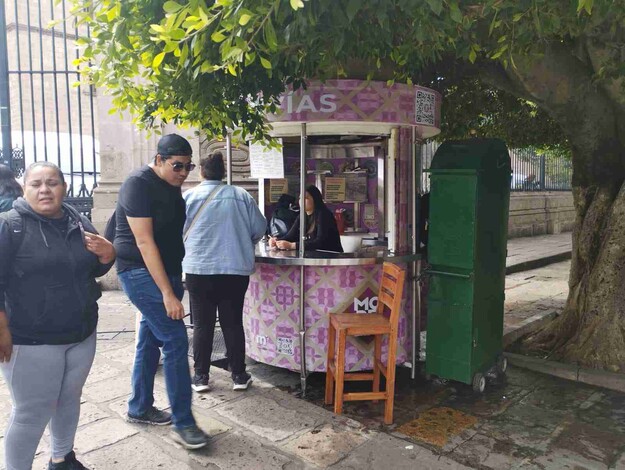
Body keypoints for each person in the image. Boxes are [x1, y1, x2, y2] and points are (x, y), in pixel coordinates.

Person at [0, 162, 115, 470]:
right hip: (32, 339)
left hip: (81, 333)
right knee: (31, 412)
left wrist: (108, 256)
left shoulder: (78, 220)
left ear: (64, 187)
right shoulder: (9, 225)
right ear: (24, 188)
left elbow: (91, 269)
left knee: (68, 399)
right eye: (36, 184)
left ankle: (62, 459)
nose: (45, 189)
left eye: (52, 183)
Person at [114, 134, 208, 450]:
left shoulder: (171, 187)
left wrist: (174, 277)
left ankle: (139, 407)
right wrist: (168, 293)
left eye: (188, 166)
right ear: (158, 159)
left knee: (150, 337)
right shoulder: (137, 184)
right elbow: (144, 242)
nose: (183, 172)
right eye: (177, 166)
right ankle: (184, 423)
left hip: (164, 271)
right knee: (176, 338)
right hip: (138, 271)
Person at [183, 152, 266, 392]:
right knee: (232, 323)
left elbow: (177, 232)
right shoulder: (241, 196)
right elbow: (259, 228)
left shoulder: (188, 197)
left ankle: (200, 377)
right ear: (224, 172)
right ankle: (239, 375)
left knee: (202, 324)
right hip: (234, 270)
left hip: (198, 269)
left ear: (201, 171)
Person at [270, 185, 343, 253]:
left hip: (331, 257)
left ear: (315, 199)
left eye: (305, 198)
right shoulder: (302, 215)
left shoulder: (323, 214)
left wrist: (292, 245)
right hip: (315, 257)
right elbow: (290, 236)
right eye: (300, 198)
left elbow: (320, 242)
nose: (301, 201)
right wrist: (276, 240)